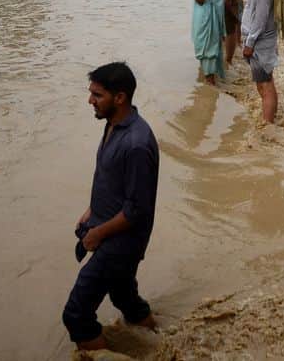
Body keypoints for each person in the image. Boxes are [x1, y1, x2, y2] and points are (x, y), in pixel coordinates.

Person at [63, 62, 160, 352]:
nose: (90, 100)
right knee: (124, 297)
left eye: (97, 94)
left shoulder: (137, 144)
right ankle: (160, 343)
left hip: (122, 242)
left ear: (120, 98)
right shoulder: (114, 124)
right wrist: (93, 210)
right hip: (110, 229)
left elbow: (136, 210)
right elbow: (113, 179)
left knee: (76, 315)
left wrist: (98, 234)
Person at [239, 0, 284, 124]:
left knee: (265, 86)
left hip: (259, 41)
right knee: (264, 84)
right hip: (258, 39)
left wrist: (249, 43)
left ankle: (267, 127)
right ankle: (269, 121)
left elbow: (261, 13)